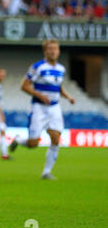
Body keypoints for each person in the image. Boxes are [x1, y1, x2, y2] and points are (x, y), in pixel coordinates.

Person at [9, 39, 75, 180]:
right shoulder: (37, 67)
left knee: (56, 138)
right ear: (45, 51)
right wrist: (40, 95)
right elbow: (24, 86)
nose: (53, 51)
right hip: (39, 108)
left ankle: (46, 172)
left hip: (54, 108)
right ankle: (20, 139)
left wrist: (68, 97)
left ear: (59, 51)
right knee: (33, 144)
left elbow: (58, 88)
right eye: (50, 49)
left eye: (55, 49)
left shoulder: (61, 69)